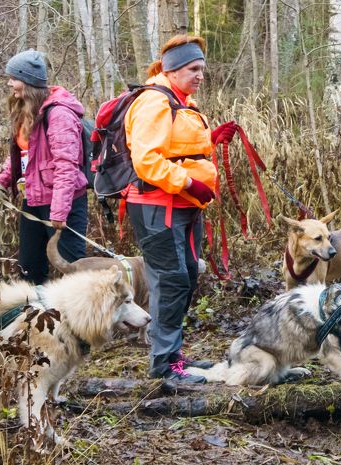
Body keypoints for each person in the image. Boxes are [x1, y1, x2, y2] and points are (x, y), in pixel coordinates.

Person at [123, 34, 235, 383]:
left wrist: (211, 138)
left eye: (202, 68)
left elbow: (176, 148)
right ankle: (164, 365)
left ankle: (172, 354)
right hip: (159, 206)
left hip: (184, 206)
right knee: (171, 281)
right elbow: (146, 160)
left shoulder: (181, 100)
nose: (200, 75)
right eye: (193, 69)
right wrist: (188, 183)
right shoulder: (154, 102)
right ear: (171, 70)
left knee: (185, 275)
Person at [0, 49, 88, 284]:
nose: (9, 83)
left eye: (13, 78)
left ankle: (83, 319)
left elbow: (67, 165)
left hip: (64, 204)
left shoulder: (59, 115)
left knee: (72, 268)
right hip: (33, 199)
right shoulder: (25, 111)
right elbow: (22, 153)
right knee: (29, 269)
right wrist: (2, 181)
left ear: (27, 82)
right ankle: (37, 317)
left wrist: (58, 211)